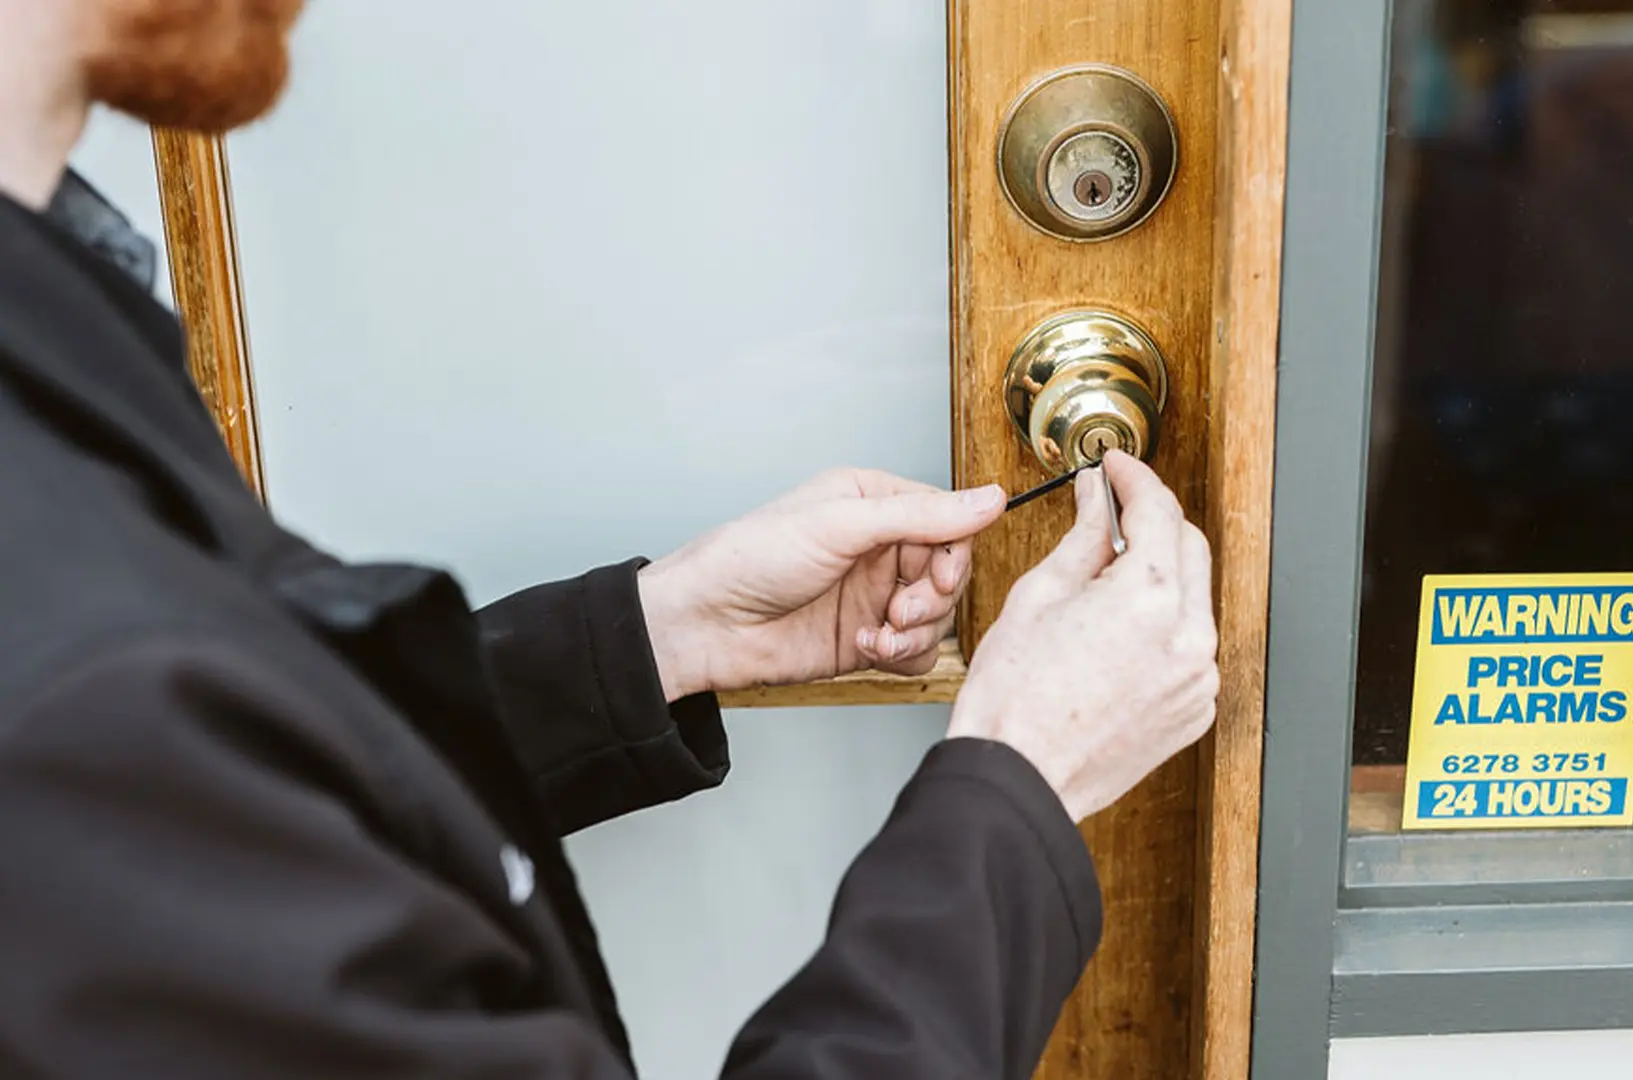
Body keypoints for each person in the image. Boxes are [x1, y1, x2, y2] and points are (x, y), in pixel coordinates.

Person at [0, 2, 1220, 1077]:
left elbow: (248, 831)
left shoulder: (53, 337)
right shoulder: (73, 702)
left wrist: (652, 638)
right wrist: (1019, 784)